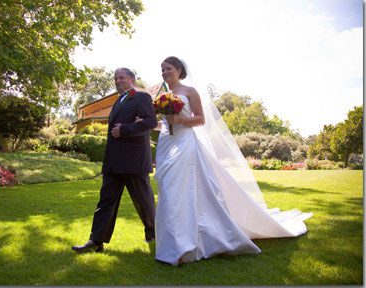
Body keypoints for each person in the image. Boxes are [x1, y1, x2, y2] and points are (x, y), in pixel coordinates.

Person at [153, 56, 313, 266]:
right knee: (167, 190)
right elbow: (165, 123)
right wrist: (149, 124)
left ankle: (183, 247)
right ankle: (169, 242)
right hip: (167, 144)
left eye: (169, 69)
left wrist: (180, 120)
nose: (165, 72)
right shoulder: (162, 96)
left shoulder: (190, 92)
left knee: (182, 191)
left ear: (179, 70)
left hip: (185, 144)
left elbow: (201, 120)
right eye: (162, 69)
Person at [72, 68, 158, 253]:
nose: (118, 81)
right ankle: (96, 241)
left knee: (143, 202)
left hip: (134, 162)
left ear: (132, 80)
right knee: (105, 202)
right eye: (115, 78)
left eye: (122, 78)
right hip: (113, 162)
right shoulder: (118, 100)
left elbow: (150, 122)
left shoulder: (141, 97)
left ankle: (154, 234)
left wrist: (125, 129)